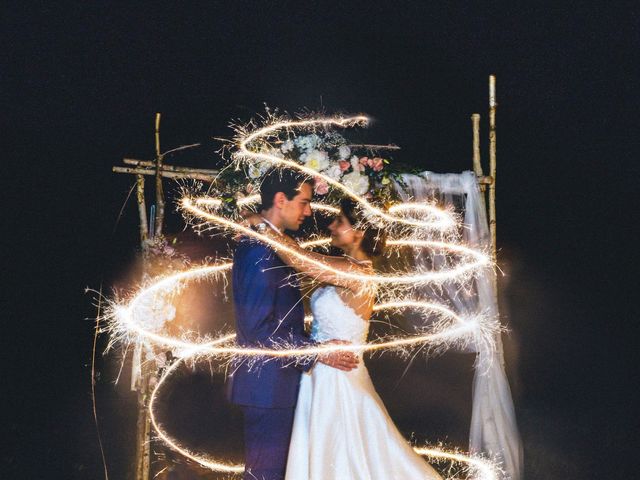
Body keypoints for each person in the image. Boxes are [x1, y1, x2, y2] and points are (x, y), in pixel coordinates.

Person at [245, 195, 443, 479]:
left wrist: (263, 226)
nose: (331, 225)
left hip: (338, 380)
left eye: (340, 221)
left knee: (340, 456)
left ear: (359, 231)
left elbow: (301, 259)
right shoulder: (347, 268)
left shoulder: (357, 273)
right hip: (323, 372)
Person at [228, 168, 360, 480]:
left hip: (281, 384)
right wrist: (317, 352)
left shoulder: (273, 245)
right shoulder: (257, 251)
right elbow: (257, 329)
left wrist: (258, 222)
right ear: (280, 199)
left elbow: (299, 258)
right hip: (267, 386)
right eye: (303, 202)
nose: (310, 211)